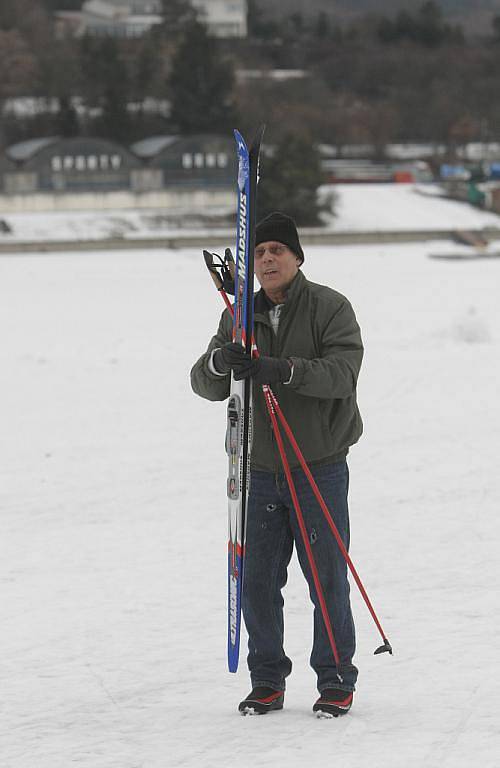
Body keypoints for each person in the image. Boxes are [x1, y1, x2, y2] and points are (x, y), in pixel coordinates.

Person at [190, 211, 364, 717]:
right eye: (260, 253)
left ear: (297, 257)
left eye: (277, 252)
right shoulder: (238, 315)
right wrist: (221, 363)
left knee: (325, 576)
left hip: (318, 465)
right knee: (258, 581)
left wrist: (281, 370)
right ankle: (266, 678)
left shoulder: (330, 307)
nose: (268, 260)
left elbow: (341, 374)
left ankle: (334, 679)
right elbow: (204, 383)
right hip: (259, 470)